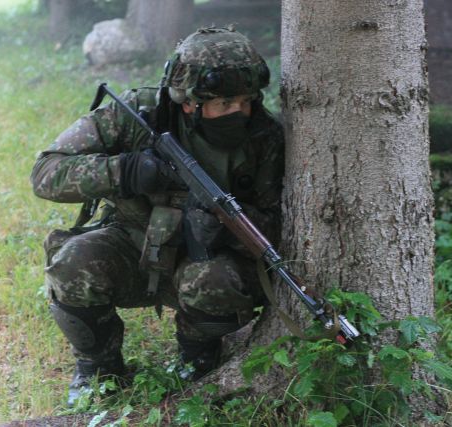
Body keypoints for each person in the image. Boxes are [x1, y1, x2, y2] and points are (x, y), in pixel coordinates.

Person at [30, 27, 284, 406]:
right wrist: (126, 171)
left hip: (205, 261)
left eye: (246, 102)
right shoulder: (139, 114)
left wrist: (227, 229)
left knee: (213, 281)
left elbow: (278, 225)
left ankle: (198, 357)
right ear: (189, 102)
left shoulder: (265, 136)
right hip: (133, 241)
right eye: (224, 103)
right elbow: (46, 173)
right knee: (72, 263)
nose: (238, 113)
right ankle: (99, 370)